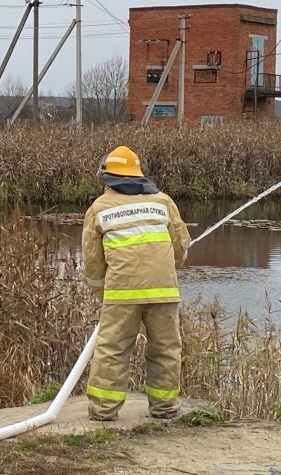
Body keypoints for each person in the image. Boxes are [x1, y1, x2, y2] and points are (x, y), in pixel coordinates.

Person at [81, 145, 191, 421]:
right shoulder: (163, 202)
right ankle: (165, 408)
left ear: (107, 176)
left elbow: (93, 263)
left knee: (112, 350)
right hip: (164, 291)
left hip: (121, 292)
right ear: (139, 174)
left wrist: (101, 293)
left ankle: (104, 410)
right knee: (165, 349)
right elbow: (180, 248)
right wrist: (166, 268)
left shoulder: (99, 208)